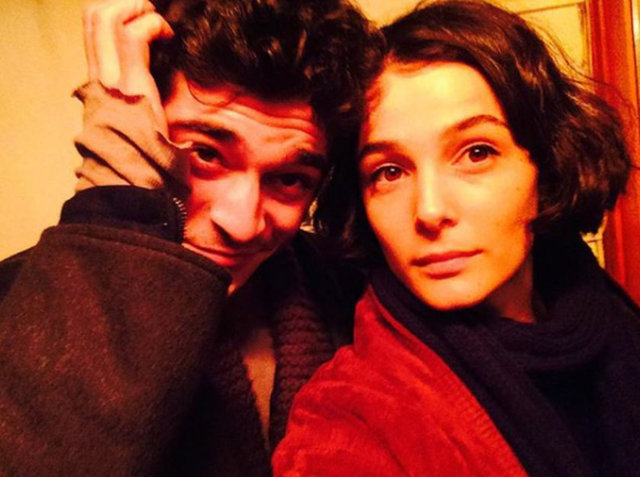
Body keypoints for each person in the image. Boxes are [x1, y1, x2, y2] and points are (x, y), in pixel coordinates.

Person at [0, 0, 381, 475]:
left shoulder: (346, 293)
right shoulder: (15, 302)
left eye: (290, 179)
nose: (241, 223)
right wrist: (120, 187)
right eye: (205, 154)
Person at [273, 1, 640, 476]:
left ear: (545, 164)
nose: (429, 211)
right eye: (389, 172)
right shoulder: (349, 419)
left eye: (476, 153)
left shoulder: (607, 319)